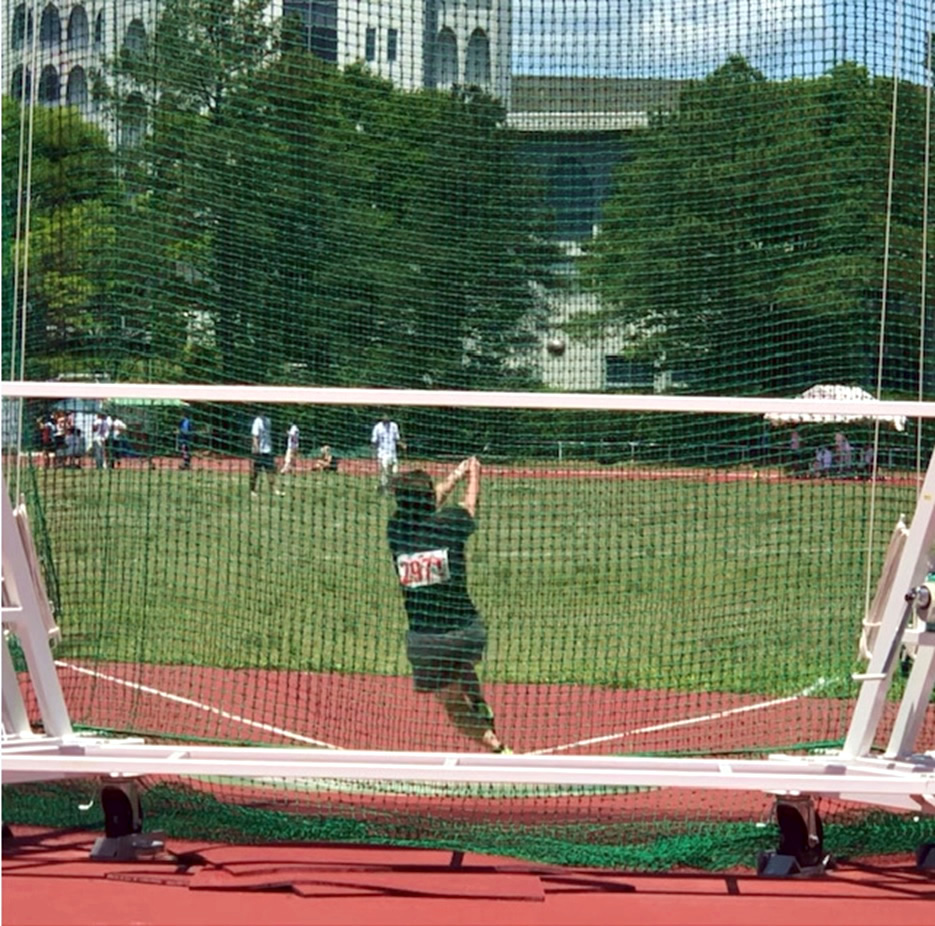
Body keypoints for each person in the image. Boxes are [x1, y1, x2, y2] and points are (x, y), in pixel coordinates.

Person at [387, 456, 509, 754]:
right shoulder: (451, 523)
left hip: (428, 640)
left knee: (454, 706)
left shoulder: (396, 530)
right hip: (469, 632)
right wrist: (471, 475)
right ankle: (479, 702)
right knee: (459, 662)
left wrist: (454, 476)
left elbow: (429, 501)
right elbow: (468, 506)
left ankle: (500, 751)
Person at [371, 412, 406, 494]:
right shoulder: (377, 427)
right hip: (382, 454)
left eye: (388, 415)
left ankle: (389, 488)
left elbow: (397, 439)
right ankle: (384, 489)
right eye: (385, 415)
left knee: (394, 472)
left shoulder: (394, 426)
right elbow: (374, 441)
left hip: (393, 454)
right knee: (385, 472)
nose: (386, 417)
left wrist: (402, 445)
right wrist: (374, 453)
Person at [250, 412, 282, 497]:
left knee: (271, 470)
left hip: (267, 450)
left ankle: (274, 489)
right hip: (259, 451)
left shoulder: (268, 420)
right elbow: (255, 436)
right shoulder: (257, 421)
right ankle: (252, 490)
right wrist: (256, 447)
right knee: (255, 472)